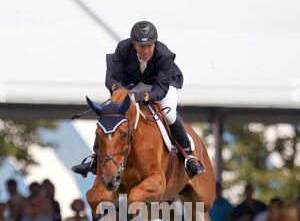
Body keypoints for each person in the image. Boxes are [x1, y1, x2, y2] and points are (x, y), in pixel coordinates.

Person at [72, 21, 204, 179]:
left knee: (169, 115)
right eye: (142, 47)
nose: (147, 50)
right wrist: (117, 89)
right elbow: (111, 77)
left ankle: (188, 157)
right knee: (110, 113)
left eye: (150, 45)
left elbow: (160, 89)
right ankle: (95, 159)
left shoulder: (164, 55)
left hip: (162, 84)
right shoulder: (123, 48)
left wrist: (147, 96)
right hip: (132, 85)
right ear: (134, 44)